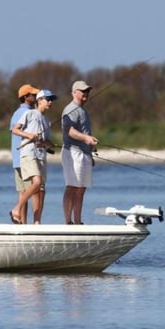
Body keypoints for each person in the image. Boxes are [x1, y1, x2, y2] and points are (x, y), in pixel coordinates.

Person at [14, 89, 57, 224]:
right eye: (48, 99)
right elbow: (15, 130)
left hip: (41, 156)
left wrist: (48, 143)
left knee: (41, 189)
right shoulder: (30, 113)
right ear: (39, 100)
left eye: (51, 100)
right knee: (36, 182)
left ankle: (37, 222)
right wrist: (29, 135)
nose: (50, 102)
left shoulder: (47, 121)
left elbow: (45, 142)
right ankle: (16, 209)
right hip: (29, 154)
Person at [61, 80, 99, 224]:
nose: (86, 93)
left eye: (87, 91)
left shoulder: (83, 111)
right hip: (73, 152)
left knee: (81, 188)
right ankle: (68, 221)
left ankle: (77, 221)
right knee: (72, 186)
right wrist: (86, 138)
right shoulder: (70, 109)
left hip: (85, 154)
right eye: (83, 91)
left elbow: (84, 132)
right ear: (74, 92)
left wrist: (90, 153)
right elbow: (69, 130)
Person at [9, 84, 39, 224]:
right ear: (26, 97)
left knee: (22, 192)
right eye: (33, 95)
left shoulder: (17, 112)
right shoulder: (27, 113)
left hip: (17, 159)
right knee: (29, 192)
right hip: (24, 158)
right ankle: (26, 222)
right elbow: (16, 131)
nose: (36, 97)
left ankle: (22, 223)